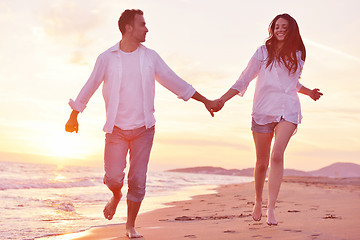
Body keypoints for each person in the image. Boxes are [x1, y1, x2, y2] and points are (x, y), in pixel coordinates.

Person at [65, 9, 217, 238]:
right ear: (128, 27)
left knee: (137, 179)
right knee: (114, 177)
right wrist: (74, 114)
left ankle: (130, 225)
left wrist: (204, 100)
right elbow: (91, 84)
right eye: (142, 24)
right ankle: (116, 195)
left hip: (144, 130)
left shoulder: (150, 57)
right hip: (116, 129)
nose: (147, 29)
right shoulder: (107, 58)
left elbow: (174, 81)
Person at [213, 13, 323, 225]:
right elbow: (243, 79)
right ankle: (257, 201)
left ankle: (271, 208)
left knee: (277, 155)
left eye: (284, 27)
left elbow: (292, 83)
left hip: (288, 110)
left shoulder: (298, 53)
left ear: (292, 30)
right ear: (272, 30)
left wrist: (308, 92)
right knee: (262, 163)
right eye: (276, 26)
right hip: (263, 111)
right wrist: (222, 99)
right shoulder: (262, 52)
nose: (280, 30)